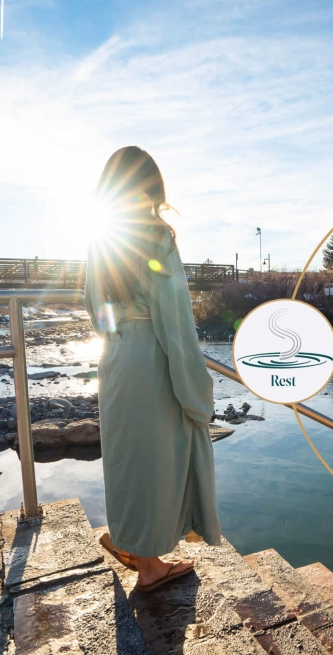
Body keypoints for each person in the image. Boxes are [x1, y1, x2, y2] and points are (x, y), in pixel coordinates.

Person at [84, 146, 221, 592]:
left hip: (117, 357)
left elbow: (93, 308)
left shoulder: (101, 237)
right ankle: (149, 566)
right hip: (152, 359)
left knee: (129, 460)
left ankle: (140, 551)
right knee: (163, 455)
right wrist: (197, 390)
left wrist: (121, 335)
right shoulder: (155, 236)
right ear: (152, 186)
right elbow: (175, 318)